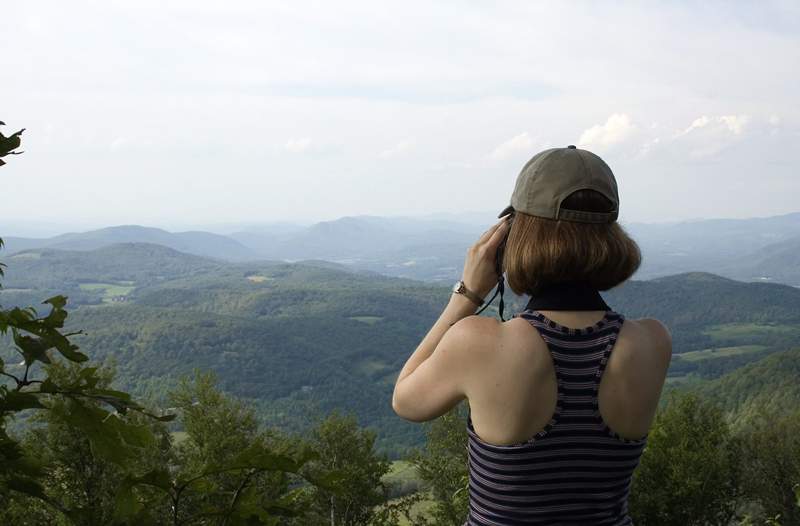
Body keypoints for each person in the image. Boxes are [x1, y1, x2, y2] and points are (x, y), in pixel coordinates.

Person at [392, 145, 673, 525]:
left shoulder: (479, 342)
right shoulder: (652, 343)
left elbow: (406, 401)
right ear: (612, 235)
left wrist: (467, 297)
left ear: (512, 237)